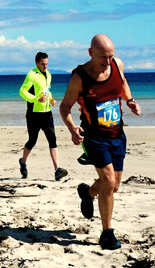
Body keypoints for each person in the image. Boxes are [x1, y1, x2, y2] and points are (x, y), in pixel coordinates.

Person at [59, 34, 141, 250]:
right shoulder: (80, 78)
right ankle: (107, 233)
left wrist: (130, 100)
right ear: (91, 53)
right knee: (108, 181)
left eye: (111, 56)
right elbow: (64, 107)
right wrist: (72, 128)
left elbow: (123, 84)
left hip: (117, 134)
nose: (108, 62)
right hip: (94, 136)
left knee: (114, 185)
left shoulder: (117, 65)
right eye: (103, 57)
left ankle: (87, 193)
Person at [19, 52, 68, 181]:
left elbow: (46, 91)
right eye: (43, 64)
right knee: (32, 141)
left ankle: (57, 170)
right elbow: (22, 91)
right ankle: (23, 162)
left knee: (53, 140)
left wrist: (51, 99)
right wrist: (36, 99)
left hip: (47, 114)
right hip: (33, 114)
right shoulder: (31, 75)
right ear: (36, 63)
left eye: (47, 64)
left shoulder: (49, 75)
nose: (45, 66)